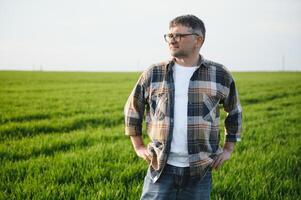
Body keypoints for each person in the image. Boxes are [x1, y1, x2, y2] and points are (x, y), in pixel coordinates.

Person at [124, 14, 242, 200]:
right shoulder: (154, 73)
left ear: (198, 40)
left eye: (179, 35)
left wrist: (228, 149)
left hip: (200, 169)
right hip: (161, 167)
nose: (172, 40)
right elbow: (133, 108)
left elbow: (234, 112)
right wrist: (138, 146)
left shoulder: (219, 74)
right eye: (169, 35)